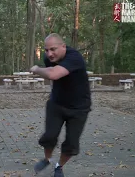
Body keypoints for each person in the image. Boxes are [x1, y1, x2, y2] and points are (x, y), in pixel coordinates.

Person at [29, 33, 91, 177]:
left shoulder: (74, 57)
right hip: (56, 104)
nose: (49, 54)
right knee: (49, 136)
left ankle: (59, 167)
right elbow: (53, 74)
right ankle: (47, 159)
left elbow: (53, 74)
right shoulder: (48, 58)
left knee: (71, 144)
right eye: (46, 50)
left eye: (53, 49)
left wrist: (36, 69)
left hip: (79, 108)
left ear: (63, 46)